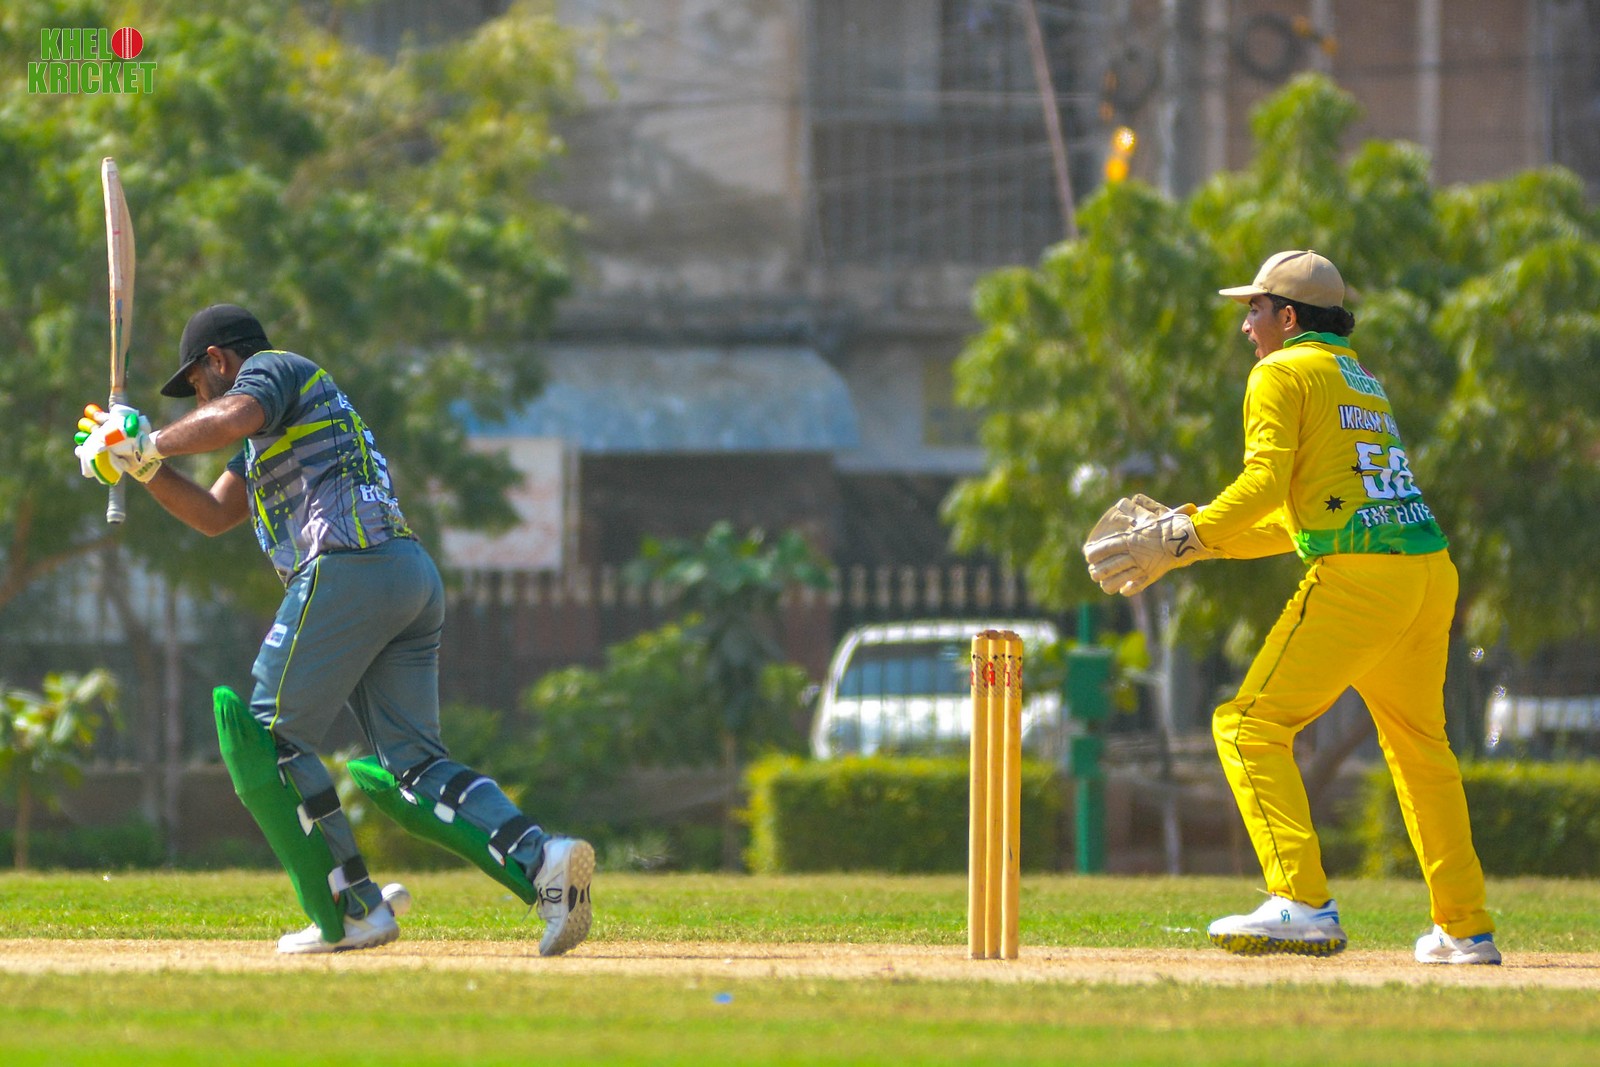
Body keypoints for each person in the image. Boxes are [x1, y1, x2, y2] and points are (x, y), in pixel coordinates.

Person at [74, 304, 593, 957]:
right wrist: (141, 466)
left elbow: (228, 416)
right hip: (405, 574)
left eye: (198, 386)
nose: (200, 401)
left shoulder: (272, 370)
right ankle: (545, 860)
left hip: (346, 566)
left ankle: (351, 910)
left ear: (218, 361)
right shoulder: (277, 430)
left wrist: (148, 440)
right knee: (414, 766)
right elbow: (211, 514)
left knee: (266, 741)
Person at [1081, 250, 1499, 965]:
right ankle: (1465, 927)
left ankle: (1302, 903)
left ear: (1290, 316)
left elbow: (1263, 483)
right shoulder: (1361, 381)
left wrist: (1182, 534)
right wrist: (1193, 543)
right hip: (1427, 573)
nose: (1247, 325)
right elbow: (1296, 519)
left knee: (1248, 726)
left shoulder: (1280, 372)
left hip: (1361, 579)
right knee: (1422, 752)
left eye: (1255, 308)